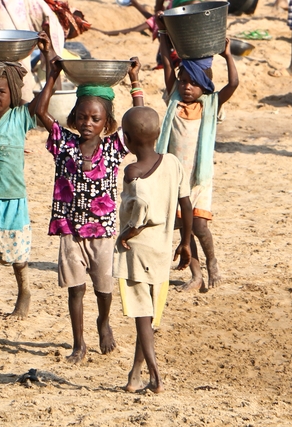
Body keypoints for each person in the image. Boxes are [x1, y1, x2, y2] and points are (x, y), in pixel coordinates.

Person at [33, 49, 144, 362]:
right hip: (70, 229)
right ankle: (78, 344)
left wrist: (135, 80)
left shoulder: (113, 147)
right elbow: (40, 111)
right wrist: (52, 75)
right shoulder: (63, 143)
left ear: (107, 122)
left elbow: (140, 121)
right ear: (73, 117)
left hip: (103, 230)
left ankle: (103, 322)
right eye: (82, 117)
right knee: (75, 289)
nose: (87, 123)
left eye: (95, 119)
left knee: (103, 288)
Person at [0, 37, 53, 330]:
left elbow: (44, 98)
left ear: (13, 92)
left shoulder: (20, 116)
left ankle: (23, 292)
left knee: (18, 256)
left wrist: (49, 60)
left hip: (14, 198)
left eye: (1, 91)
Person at [113, 106, 193, 394]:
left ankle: (155, 375)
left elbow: (141, 209)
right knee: (146, 316)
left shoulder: (132, 171)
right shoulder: (172, 162)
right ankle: (135, 375)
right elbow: (186, 204)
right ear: (159, 133)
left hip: (136, 251)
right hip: (161, 250)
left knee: (141, 317)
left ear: (126, 140)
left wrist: (128, 232)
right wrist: (186, 242)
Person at [154, 37, 239, 292]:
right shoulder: (174, 100)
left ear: (205, 86)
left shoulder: (211, 105)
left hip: (200, 178)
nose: (186, 87)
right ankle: (196, 274)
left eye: (193, 83)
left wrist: (228, 55)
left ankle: (212, 261)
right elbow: (168, 66)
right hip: (176, 178)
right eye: (183, 81)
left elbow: (233, 84)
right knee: (184, 228)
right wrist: (164, 39)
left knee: (200, 227)